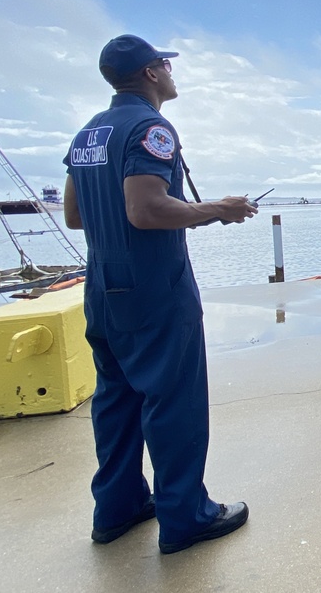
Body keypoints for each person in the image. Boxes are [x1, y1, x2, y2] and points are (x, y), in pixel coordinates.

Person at [63, 34, 257, 554]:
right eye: (165, 63)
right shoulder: (151, 128)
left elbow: (76, 215)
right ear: (150, 74)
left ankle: (118, 507)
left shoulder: (87, 134)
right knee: (174, 401)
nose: (171, 71)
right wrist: (217, 208)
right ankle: (185, 516)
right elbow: (145, 210)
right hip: (155, 288)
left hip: (102, 286)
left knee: (116, 401)